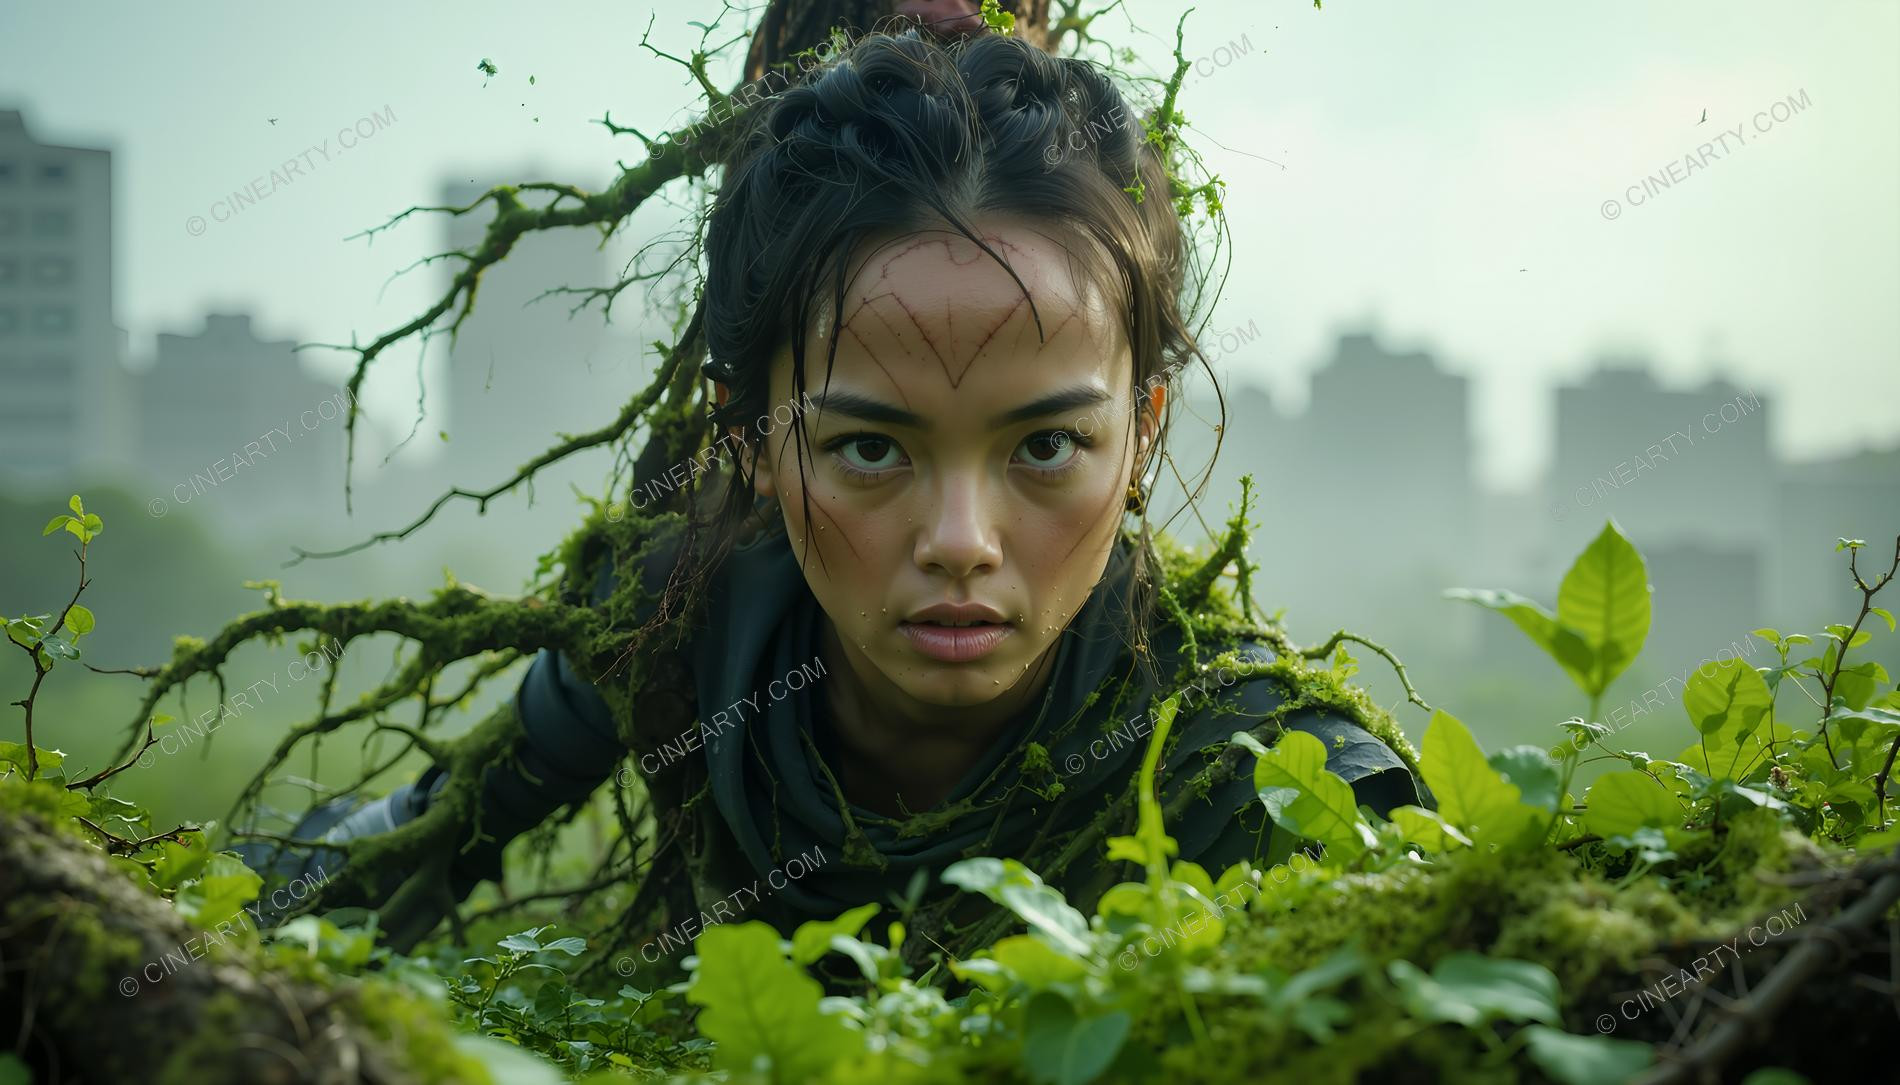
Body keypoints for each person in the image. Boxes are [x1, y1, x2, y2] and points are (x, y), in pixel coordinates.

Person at [236, 26, 1428, 969]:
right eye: (868, 451)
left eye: (1048, 445)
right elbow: (395, 852)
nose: (959, 543)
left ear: (1142, 433)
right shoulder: (681, 615)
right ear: (749, 436)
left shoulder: (1266, 771)